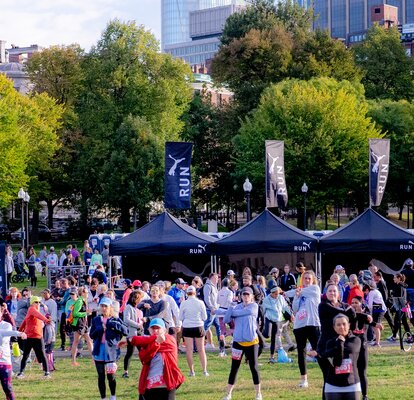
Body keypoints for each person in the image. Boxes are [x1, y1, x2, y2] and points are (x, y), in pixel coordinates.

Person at [120, 318, 185, 400]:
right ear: (149, 330)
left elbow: (147, 339)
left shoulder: (170, 339)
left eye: (158, 328)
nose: (155, 331)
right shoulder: (146, 344)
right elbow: (144, 358)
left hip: (167, 383)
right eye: (153, 328)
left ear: (164, 330)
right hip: (149, 384)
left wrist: (131, 340)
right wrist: (156, 343)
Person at [221, 286, 262, 400]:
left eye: (248, 294)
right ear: (241, 296)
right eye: (244, 294)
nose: (245, 296)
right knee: (234, 368)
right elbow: (225, 320)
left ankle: (258, 393)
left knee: (254, 367)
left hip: (252, 342)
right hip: (238, 342)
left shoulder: (254, 306)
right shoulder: (236, 307)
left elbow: (246, 312)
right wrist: (230, 309)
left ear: (252, 296)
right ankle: (228, 394)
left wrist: (234, 312)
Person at [318, 282, 357, 398]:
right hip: (326, 346)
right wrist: (350, 310)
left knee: (341, 377)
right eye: (329, 291)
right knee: (328, 377)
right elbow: (341, 313)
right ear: (326, 293)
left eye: (334, 291)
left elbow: (354, 319)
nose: (332, 293)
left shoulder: (345, 306)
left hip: (341, 345)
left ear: (339, 293)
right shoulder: (323, 306)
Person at [90, 297, 128, 400]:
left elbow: (125, 330)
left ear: (110, 307)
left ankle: (113, 395)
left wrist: (112, 325)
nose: (103, 308)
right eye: (102, 306)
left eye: (105, 306)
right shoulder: (96, 319)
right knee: (101, 376)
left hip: (111, 351)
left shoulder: (115, 319)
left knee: (111, 376)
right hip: (99, 350)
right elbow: (91, 335)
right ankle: (103, 397)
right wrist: (100, 329)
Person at [291, 270, 321, 389]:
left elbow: (293, 292)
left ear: (313, 280)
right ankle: (304, 379)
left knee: (319, 351)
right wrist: (297, 296)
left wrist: (296, 292)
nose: (307, 280)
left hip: (313, 324)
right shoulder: (299, 292)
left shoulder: (315, 289)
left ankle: (329, 374)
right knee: (301, 352)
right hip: (300, 325)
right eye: (305, 278)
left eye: (309, 278)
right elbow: (294, 308)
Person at [322, 314, 362, 400]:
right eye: (338, 325)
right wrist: (340, 343)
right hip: (333, 386)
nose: (342, 327)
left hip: (352, 384)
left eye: (344, 324)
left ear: (349, 325)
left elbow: (349, 349)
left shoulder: (355, 340)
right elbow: (337, 362)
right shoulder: (330, 342)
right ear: (334, 327)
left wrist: (337, 347)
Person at [17, 296, 52, 379]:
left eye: (39, 302)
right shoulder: (31, 309)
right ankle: (21, 373)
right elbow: (37, 316)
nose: (38, 304)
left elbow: (25, 321)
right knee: (26, 355)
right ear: (32, 303)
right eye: (36, 302)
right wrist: (46, 320)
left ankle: (47, 373)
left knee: (42, 354)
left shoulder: (36, 310)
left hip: (38, 336)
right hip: (30, 336)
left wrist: (20, 330)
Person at [179, 285, 208, 377]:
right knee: (201, 349)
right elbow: (205, 317)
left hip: (187, 327)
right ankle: (204, 370)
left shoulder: (183, 303)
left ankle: (192, 371)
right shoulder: (200, 302)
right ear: (195, 293)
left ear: (187, 293)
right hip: (198, 326)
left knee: (189, 350)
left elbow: (180, 317)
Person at [0, 302, 27, 400]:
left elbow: (4, 333)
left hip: (4, 361)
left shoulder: (6, 325)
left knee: (7, 388)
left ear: (2, 313)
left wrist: (18, 333)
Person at [262, 286, 295, 363]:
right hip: (269, 318)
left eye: (278, 294)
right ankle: (261, 332)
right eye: (275, 294)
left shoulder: (280, 298)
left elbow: (285, 307)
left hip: (277, 320)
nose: (277, 295)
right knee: (267, 335)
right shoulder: (267, 299)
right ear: (271, 293)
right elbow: (264, 309)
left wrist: (291, 314)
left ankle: (272, 357)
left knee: (273, 338)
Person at [66, 287, 93, 366]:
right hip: (79, 324)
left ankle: (93, 359)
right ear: (83, 293)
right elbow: (75, 313)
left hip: (83, 324)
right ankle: (73, 361)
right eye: (87, 292)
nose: (88, 294)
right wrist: (85, 313)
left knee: (89, 341)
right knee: (76, 342)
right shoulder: (79, 301)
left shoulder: (83, 301)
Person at [122, 290, 144, 378]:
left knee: (142, 352)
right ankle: (125, 371)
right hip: (132, 333)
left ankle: (146, 369)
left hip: (139, 332)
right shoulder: (128, 307)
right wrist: (137, 325)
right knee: (130, 352)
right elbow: (126, 319)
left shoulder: (137, 308)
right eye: (139, 298)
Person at [388, 273, 411, 342]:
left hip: (402, 307)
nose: (393, 279)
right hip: (401, 307)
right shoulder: (398, 286)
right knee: (403, 322)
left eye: (394, 277)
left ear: (399, 278)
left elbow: (400, 299)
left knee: (397, 321)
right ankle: (408, 336)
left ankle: (395, 337)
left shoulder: (400, 287)